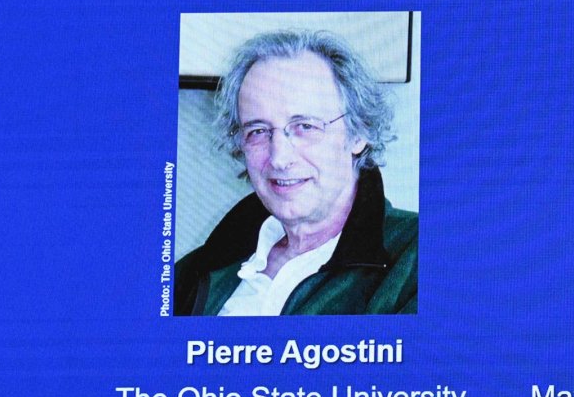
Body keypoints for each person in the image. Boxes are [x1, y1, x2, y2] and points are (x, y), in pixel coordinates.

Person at [174, 29, 417, 315]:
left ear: (357, 132)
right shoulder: (193, 273)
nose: (279, 158)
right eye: (258, 131)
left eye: (305, 126)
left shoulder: (416, 259)